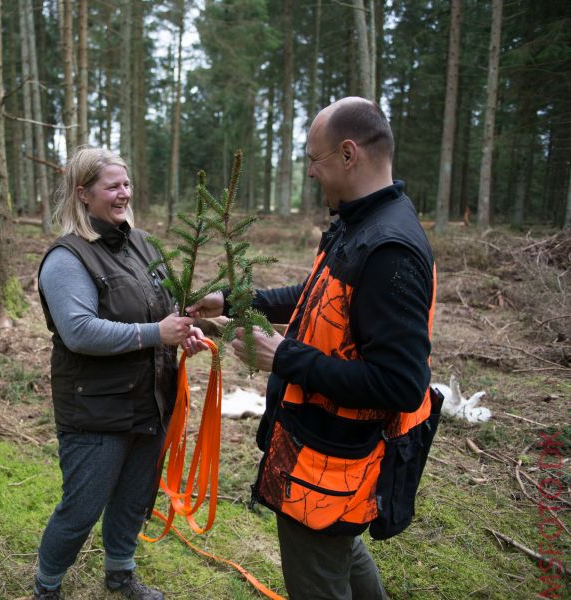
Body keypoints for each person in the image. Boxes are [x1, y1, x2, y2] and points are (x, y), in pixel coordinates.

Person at [187, 97, 437, 600]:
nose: (309, 172)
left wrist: (282, 358)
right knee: (337, 548)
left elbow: (401, 385)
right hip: (315, 456)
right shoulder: (359, 222)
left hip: (331, 464)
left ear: (349, 154)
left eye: (314, 159)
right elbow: (317, 296)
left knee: (319, 564)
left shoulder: (390, 251)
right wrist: (233, 299)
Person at [34, 146, 205, 600]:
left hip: (150, 401)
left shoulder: (142, 244)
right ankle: (47, 584)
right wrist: (155, 333)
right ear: (83, 194)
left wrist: (184, 332)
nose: (123, 193)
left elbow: (166, 310)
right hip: (95, 409)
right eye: (112, 186)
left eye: (126, 184)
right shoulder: (67, 258)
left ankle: (121, 573)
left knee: (133, 499)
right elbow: (79, 332)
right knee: (81, 508)